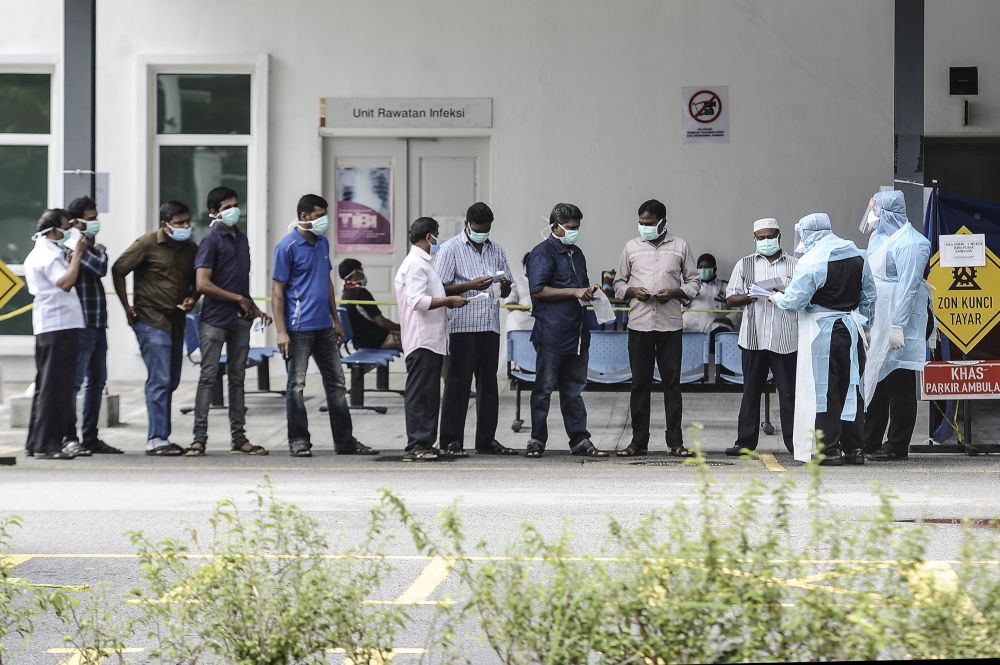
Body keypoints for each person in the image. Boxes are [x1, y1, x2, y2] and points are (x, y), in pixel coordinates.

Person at [272, 194, 377, 458]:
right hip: (298, 329)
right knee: (296, 385)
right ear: (304, 216)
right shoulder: (287, 247)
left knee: (337, 385)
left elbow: (328, 282)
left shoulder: (322, 243)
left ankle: (344, 441)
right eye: (319, 215)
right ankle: (299, 441)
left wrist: (336, 319)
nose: (324, 220)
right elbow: (277, 291)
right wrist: (281, 330)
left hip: (324, 328)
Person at [771, 213, 876, 466]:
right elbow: (870, 296)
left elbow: (795, 300)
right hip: (852, 329)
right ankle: (854, 449)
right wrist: (867, 327)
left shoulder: (813, 261)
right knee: (852, 388)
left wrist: (776, 298)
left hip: (823, 333)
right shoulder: (857, 254)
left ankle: (828, 449)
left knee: (826, 390)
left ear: (807, 233)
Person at [613, 199, 700, 457]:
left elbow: (694, 283)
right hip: (639, 325)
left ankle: (675, 441)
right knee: (640, 384)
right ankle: (638, 441)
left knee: (671, 384)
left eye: (649, 223)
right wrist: (631, 291)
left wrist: (675, 292)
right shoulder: (631, 247)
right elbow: (618, 282)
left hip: (669, 326)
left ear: (663, 222)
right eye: (641, 223)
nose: (644, 227)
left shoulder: (680, 246)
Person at [188, 186, 270, 457]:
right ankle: (199, 439)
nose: (233, 210)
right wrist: (237, 299)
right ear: (214, 212)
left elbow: (241, 284)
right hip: (214, 319)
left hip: (240, 319)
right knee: (209, 377)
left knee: (238, 378)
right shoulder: (211, 240)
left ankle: (240, 438)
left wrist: (255, 309)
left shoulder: (241, 239)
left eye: (234, 205)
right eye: (225, 207)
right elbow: (202, 283)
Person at [112, 201, 198, 456]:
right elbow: (118, 269)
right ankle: (157, 439)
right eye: (180, 223)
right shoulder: (146, 244)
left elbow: (196, 280)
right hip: (150, 320)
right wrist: (127, 306)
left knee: (171, 380)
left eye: (187, 221)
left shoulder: (190, 249)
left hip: (177, 320)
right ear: (165, 225)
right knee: (159, 379)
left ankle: (162, 436)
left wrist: (193, 297)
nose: (185, 226)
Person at [524, 203, 608, 458]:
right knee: (544, 389)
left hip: (578, 332)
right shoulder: (542, 253)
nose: (575, 232)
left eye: (577, 228)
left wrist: (588, 291)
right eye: (570, 228)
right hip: (552, 332)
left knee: (574, 389)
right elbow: (537, 290)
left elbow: (578, 286)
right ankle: (537, 440)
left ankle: (579, 439)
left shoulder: (577, 253)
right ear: (555, 227)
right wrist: (573, 291)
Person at [436, 202, 518, 456]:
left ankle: (486, 439)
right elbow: (439, 289)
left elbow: (508, 288)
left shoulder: (497, 250)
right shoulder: (450, 249)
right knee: (457, 384)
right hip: (461, 325)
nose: (482, 233)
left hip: (489, 325)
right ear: (467, 225)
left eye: (487, 229)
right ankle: (451, 440)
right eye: (478, 229)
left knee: (488, 386)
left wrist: (503, 286)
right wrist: (471, 285)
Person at [859, 190, 932, 462]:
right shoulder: (878, 238)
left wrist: (897, 326)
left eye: (877, 211)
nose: (873, 217)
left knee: (899, 384)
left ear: (889, 212)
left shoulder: (913, 243)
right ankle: (870, 440)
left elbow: (908, 288)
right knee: (876, 377)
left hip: (901, 321)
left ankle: (897, 444)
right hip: (878, 318)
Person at [393, 217, 468, 461]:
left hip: (431, 338)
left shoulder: (424, 263)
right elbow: (417, 301)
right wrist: (448, 301)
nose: (438, 241)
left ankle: (425, 440)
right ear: (428, 237)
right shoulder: (415, 264)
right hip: (422, 338)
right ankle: (418, 443)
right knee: (421, 393)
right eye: (436, 236)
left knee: (429, 392)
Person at [724, 218, 798, 456]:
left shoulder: (795, 265)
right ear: (755, 239)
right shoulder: (744, 265)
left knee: (788, 393)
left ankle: (795, 444)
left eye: (770, 236)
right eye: (761, 237)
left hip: (784, 338)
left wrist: (783, 294)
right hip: (753, 338)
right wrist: (748, 296)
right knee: (750, 391)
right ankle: (745, 443)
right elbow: (730, 298)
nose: (766, 241)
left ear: (779, 236)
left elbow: (802, 297)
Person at [23, 209, 87, 459]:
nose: (71, 231)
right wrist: (78, 256)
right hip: (57, 326)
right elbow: (65, 283)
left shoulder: (47, 251)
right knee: (55, 387)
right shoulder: (47, 255)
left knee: (47, 386)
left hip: (54, 326)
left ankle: (36, 441)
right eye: (66, 226)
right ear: (53, 231)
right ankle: (48, 444)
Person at [63, 196, 121, 454]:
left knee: (97, 382)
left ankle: (91, 437)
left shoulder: (88, 243)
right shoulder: (73, 242)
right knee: (75, 383)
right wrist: (102, 252)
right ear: (76, 221)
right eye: (91, 217)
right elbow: (99, 268)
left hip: (97, 321)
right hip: (81, 323)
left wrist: (97, 250)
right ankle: (69, 437)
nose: (95, 222)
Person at [337, 258, 402, 350]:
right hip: (374, 341)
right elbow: (381, 322)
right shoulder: (360, 293)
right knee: (413, 341)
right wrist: (400, 327)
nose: (364, 274)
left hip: (361, 342)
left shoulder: (346, 294)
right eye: (362, 270)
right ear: (355, 273)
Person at [682, 253, 739, 337]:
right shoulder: (689, 286)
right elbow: (678, 308)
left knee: (721, 334)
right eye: (700, 267)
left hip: (715, 326)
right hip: (690, 325)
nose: (703, 270)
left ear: (714, 269)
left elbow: (738, 309)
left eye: (707, 267)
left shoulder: (725, 287)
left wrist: (729, 319)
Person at [503, 252, 534, 332]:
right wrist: (527, 308)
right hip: (520, 322)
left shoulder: (546, 284)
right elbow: (509, 305)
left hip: (540, 321)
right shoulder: (516, 283)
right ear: (524, 266)